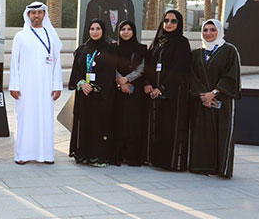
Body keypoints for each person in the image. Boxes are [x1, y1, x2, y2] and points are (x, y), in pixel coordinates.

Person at [9, 2, 63, 164]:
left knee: (45, 119)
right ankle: (22, 155)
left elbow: (57, 62)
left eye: (40, 12)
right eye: (33, 13)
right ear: (28, 15)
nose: (37, 16)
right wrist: (14, 85)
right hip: (25, 87)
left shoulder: (51, 35)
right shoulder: (20, 36)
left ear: (44, 15)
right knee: (25, 120)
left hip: (46, 87)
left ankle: (46, 155)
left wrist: (57, 86)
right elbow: (14, 62)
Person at [189, 19, 241, 178]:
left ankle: (222, 168)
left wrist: (214, 92)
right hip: (202, 100)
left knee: (222, 132)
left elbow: (232, 75)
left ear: (219, 31)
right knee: (203, 132)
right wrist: (203, 95)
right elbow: (191, 76)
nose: (208, 33)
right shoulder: (196, 53)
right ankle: (202, 166)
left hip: (222, 99)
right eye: (205, 30)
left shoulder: (229, 50)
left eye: (213, 30)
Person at [143, 10, 192, 171]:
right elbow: (148, 64)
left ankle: (168, 162)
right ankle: (152, 158)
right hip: (153, 93)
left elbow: (179, 68)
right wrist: (148, 83)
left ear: (179, 24)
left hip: (173, 94)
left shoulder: (181, 42)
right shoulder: (157, 42)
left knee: (169, 127)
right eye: (166, 21)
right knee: (155, 126)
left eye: (173, 21)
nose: (169, 24)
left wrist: (162, 88)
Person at [68, 19, 117, 167]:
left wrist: (95, 87)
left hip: (100, 96)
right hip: (84, 95)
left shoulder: (109, 50)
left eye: (98, 29)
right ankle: (82, 155)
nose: (94, 32)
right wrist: (82, 84)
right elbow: (76, 70)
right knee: (84, 124)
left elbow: (109, 73)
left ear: (103, 31)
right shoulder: (82, 49)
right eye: (92, 29)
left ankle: (97, 157)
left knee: (98, 125)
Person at [112, 20, 147, 166]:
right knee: (118, 122)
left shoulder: (141, 48)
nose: (125, 32)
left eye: (129, 29)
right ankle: (118, 156)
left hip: (135, 91)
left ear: (134, 32)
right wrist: (120, 80)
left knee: (133, 123)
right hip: (117, 91)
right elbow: (110, 65)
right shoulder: (113, 48)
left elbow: (142, 68)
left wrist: (127, 79)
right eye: (122, 29)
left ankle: (132, 156)